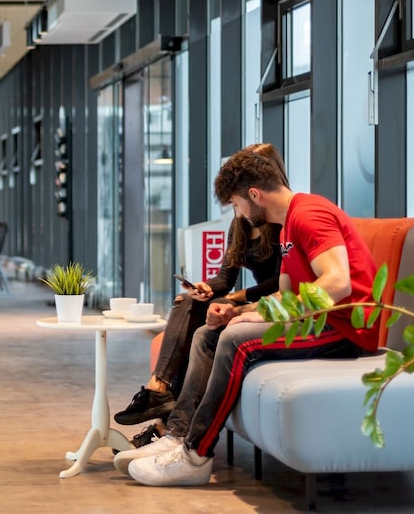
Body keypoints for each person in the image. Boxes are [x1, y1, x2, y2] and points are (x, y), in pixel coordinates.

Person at [115, 143, 379, 487]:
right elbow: (285, 295)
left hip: (346, 327)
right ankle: (176, 437)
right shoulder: (287, 225)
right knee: (208, 334)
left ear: (254, 194)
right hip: (318, 321)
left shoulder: (309, 214)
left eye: (237, 204)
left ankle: (195, 456)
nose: (238, 214)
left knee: (236, 340)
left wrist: (272, 315)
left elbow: (338, 283)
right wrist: (237, 310)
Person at [113, 143, 286, 444]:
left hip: (270, 302)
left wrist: (235, 298)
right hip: (248, 298)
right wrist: (207, 287)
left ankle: (164, 427)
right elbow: (225, 278)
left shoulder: (282, 222)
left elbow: (279, 285)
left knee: (204, 330)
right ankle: (158, 386)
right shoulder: (240, 222)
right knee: (190, 300)